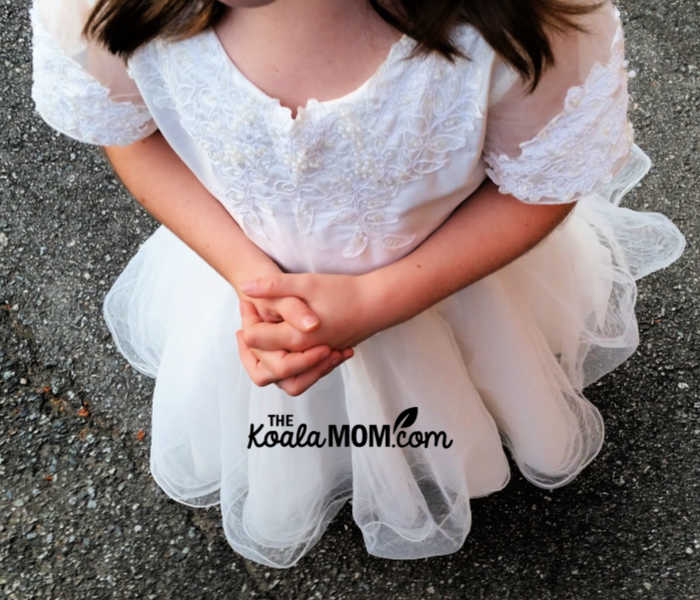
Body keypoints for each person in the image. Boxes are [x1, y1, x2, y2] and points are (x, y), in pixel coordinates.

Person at [30, 0, 686, 569]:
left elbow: (538, 191)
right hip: (239, 273)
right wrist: (251, 278)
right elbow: (130, 130)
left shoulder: (516, 25)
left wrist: (379, 300)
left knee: (470, 392)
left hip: (450, 280)